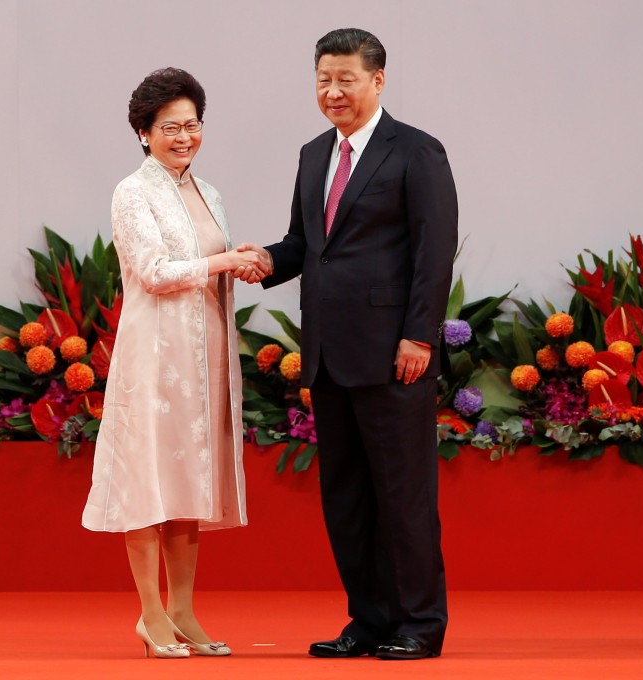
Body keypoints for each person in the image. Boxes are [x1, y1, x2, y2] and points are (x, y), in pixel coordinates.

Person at [237, 28, 458, 660]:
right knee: (347, 498)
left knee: (403, 495)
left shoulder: (416, 152)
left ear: (378, 81)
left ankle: (420, 623)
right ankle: (369, 620)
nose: (333, 92)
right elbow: (307, 246)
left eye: (346, 80)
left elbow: (434, 252)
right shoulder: (313, 154)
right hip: (331, 356)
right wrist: (263, 262)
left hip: (395, 353)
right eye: (323, 80)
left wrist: (419, 334)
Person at [82, 67, 261, 659]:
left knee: (188, 483)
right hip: (155, 359)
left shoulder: (209, 193)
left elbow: (214, 262)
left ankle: (183, 609)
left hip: (204, 356)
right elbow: (154, 274)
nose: (183, 137)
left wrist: (246, 262)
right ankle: (150, 613)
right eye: (168, 127)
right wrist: (222, 262)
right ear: (143, 132)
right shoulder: (132, 192)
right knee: (147, 481)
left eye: (191, 125)